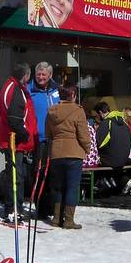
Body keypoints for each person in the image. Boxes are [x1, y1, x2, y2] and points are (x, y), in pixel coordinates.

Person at [44, 86, 90, 229]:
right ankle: (69, 221)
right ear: (73, 96)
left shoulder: (52, 111)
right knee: (72, 187)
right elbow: (83, 134)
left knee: (57, 187)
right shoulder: (78, 110)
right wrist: (87, 148)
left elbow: (48, 133)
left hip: (56, 152)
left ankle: (56, 218)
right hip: (74, 152)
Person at [0, 63, 38, 222]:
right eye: (29, 75)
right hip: (14, 140)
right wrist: (25, 134)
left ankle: (14, 208)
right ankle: (14, 208)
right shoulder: (14, 89)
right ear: (25, 75)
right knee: (16, 175)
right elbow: (14, 118)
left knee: (15, 174)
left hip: (12, 139)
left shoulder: (12, 86)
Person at [28, 62, 60, 215]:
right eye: (38, 74)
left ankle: (53, 207)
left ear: (50, 75)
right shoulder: (29, 90)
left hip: (56, 138)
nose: (40, 77)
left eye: (43, 74)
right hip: (39, 138)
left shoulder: (57, 90)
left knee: (54, 174)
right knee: (39, 173)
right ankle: (41, 207)